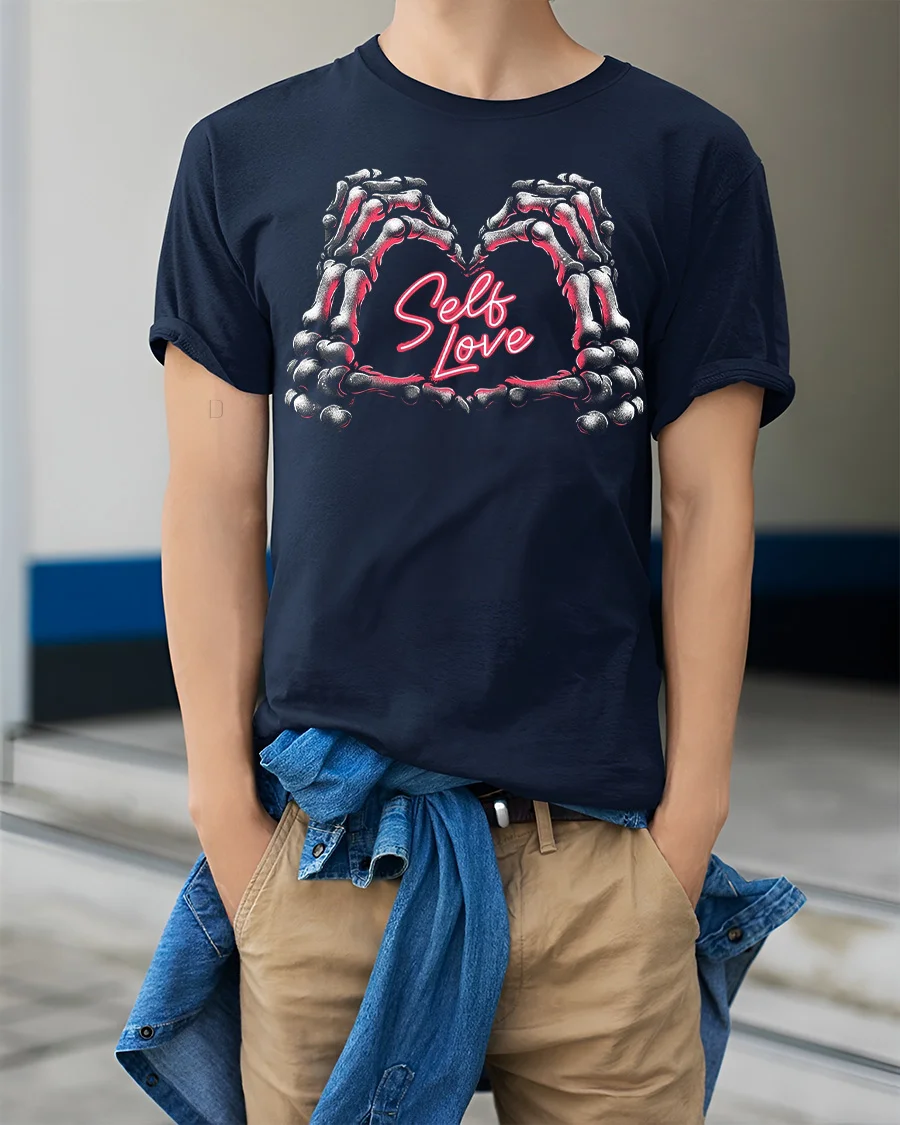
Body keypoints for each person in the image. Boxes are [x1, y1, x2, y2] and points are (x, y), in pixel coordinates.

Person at [118, 2, 804, 1123]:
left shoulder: (691, 157)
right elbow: (212, 505)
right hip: (333, 857)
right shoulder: (243, 153)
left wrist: (689, 829)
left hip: (602, 870)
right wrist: (225, 822)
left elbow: (710, 500)